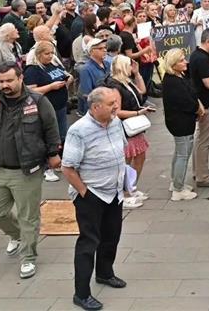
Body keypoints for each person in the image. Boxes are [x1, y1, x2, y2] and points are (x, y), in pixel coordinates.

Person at [0, 62, 61, 280]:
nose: (4, 85)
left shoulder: (37, 101)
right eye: (0, 81)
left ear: (20, 78)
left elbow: (51, 129)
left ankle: (28, 257)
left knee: (28, 217)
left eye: (9, 80)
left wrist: (54, 153)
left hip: (27, 170)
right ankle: (16, 235)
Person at [61, 87, 127, 311]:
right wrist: (84, 193)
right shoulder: (79, 131)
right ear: (95, 107)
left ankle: (105, 273)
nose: (115, 107)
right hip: (92, 194)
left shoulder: (115, 121)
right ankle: (81, 294)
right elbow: (67, 168)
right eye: (111, 104)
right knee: (89, 243)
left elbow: (120, 149)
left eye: (115, 103)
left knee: (112, 235)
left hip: (114, 192)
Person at [105, 55, 151, 209]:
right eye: (130, 65)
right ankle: (124, 192)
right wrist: (138, 113)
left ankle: (131, 187)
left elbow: (142, 91)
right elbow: (116, 111)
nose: (132, 67)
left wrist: (137, 74)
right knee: (127, 160)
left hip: (135, 127)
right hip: (125, 128)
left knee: (140, 157)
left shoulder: (126, 81)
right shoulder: (115, 86)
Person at [24, 41, 72, 183]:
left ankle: (57, 162)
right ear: (38, 54)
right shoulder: (32, 70)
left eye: (52, 53)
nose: (50, 56)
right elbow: (30, 91)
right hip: (46, 109)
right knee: (48, 137)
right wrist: (51, 87)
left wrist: (67, 80)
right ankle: (46, 168)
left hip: (60, 106)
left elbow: (64, 75)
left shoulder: (52, 65)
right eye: (47, 53)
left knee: (61, 135)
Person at [161, 49, 200, 201]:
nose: (185, 62)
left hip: (181, 121)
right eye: (181, 60)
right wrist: (197, 108)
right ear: (173, 64)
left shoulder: (178, 76)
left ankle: (175, 182)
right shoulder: (173, 82)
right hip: (180, 123)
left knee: (179, 153)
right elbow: (187, 101)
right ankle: (178, 189)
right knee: (183, 155)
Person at [188, 28, 209, 188]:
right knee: (205, 141)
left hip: (204, 103)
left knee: (200, 138)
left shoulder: (198, 56)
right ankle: (202, 177)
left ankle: (199, 170)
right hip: (208, 103)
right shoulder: (201, 59)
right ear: (207, 41)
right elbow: (208, 82)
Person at [79, 38, 110, 117]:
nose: (104, 50)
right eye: (100, 48)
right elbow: (87, 94)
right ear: (92, 51)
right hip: (96, 110)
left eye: (105, 47)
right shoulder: (86, 69)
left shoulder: (107, 64)